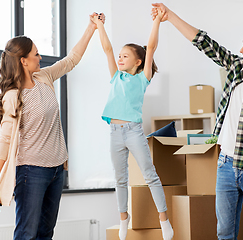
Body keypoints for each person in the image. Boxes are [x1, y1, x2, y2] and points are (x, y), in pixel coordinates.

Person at [151, 3, 243, 240]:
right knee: (224, 233)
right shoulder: (237, 69)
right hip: (225, 165)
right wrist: (169, 16)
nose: (241, 49)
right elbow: (205, 42)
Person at [0, 13, 103, 240]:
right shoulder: (13, 96)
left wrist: (92, 28)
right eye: (36, 54)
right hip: (31, 172)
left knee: (45, 234)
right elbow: (5, 142)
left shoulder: (44, 77)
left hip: (57, 169)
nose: (40, 58)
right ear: (23, 61)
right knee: (27, 234)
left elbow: (72, 59)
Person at [90, 8, 174, 240]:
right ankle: (123, 218)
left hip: (134, 132)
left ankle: (164, 219)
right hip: (115, 132)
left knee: (150, 175)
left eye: (125, 56)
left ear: (138, 62)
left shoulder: (142, 78)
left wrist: (157, 20)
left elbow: (152, 46)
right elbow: (107, 48)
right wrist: (99, 25)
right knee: (120, 178)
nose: (119, 58)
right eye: (119, 56)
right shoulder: (116, 77)